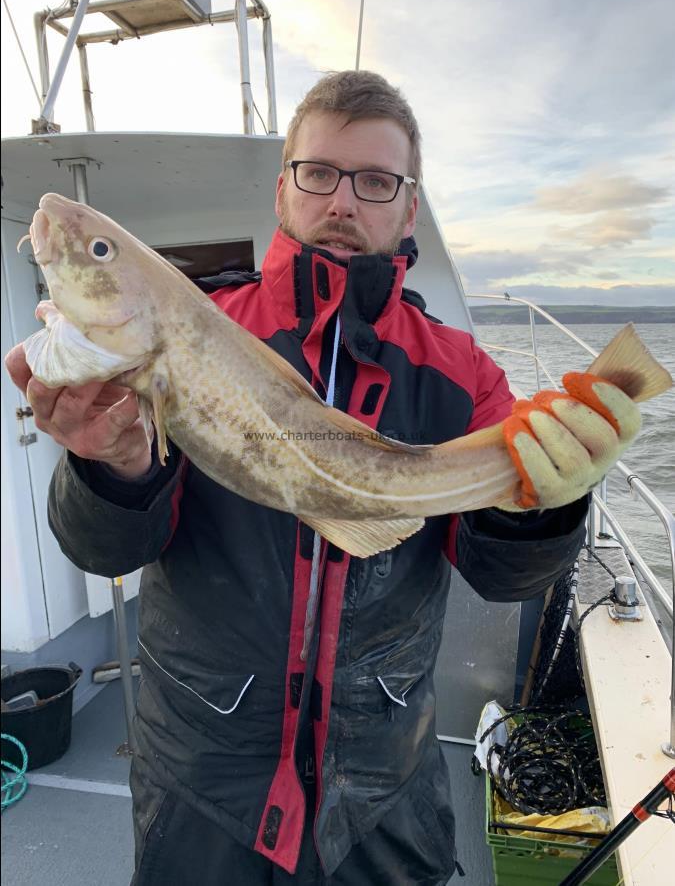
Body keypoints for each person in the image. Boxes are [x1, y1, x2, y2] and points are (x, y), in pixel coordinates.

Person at [5, 71, 640, 885]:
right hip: (199, 776)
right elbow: (106, 551)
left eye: (376, 181)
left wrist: (545, 508)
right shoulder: (202, 326)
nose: (343, 201)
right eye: (319, 174)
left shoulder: (462, 374)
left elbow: (500, 574)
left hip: (382, 787)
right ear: (284, 190)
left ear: (408, 207)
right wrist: (111, 463)